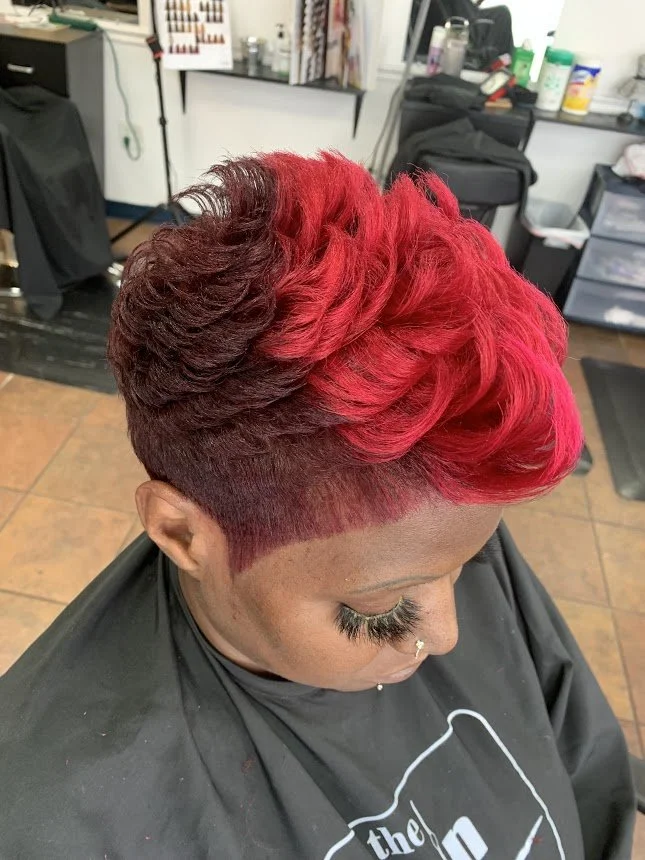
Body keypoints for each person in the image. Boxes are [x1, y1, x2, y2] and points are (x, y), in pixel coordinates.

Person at [0, 152, 635, 859]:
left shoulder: (432, 539)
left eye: (469, 563)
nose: (447, 636)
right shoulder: (56, 820)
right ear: (181, 534)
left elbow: (587, 780)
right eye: (380, 612)